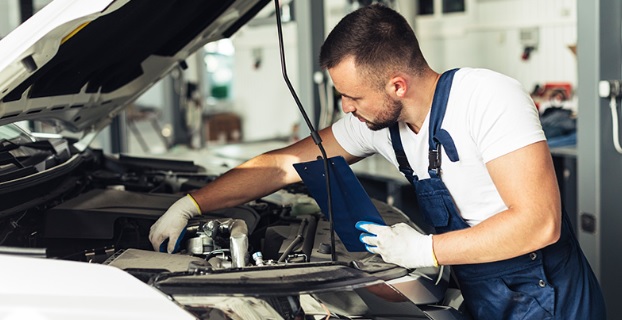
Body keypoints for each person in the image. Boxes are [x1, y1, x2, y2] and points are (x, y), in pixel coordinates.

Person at [149, 4, 605, 319]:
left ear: (397, 86)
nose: (344, 108)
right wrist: (192, 204)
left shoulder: (487, 98)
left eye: (351, 96)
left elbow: (538, 222)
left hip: (548, 295)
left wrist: (425, 250)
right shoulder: (378, 124)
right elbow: (283, 164)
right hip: (481, 290)